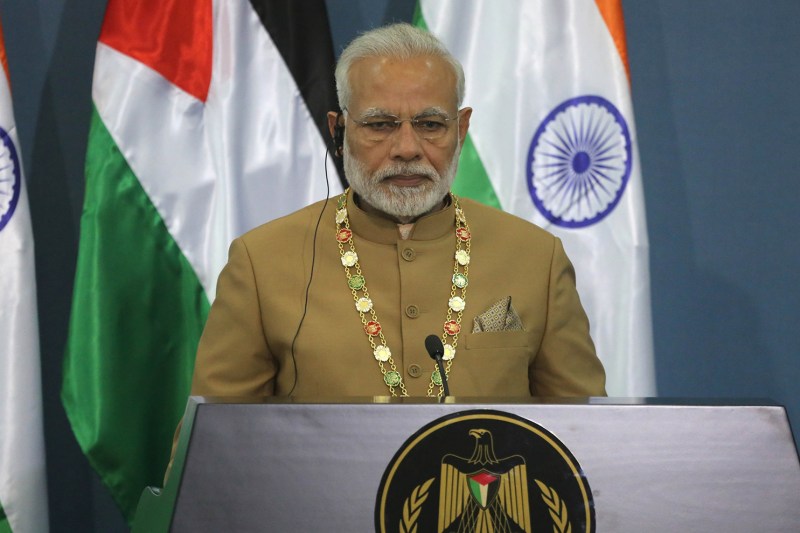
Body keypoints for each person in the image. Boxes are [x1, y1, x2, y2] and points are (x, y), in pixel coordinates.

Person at [190, 23, 606, 399]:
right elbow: (214, 447)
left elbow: (583, 439)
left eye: (430, 125)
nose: (407, 149)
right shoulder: (261, 262)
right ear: (339, 130)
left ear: (460, 131)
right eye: (380, 124)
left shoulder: (537, 258)